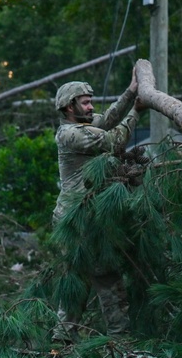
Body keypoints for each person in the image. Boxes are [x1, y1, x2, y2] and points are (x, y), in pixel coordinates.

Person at [52, 70, 143, 337]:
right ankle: (120, 343)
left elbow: (111, 118)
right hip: (78, 220)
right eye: (85, 102)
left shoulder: (85, 124)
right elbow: (115, 139)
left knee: (78, 278)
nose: (91, 107)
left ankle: (63, 339)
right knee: (106, 278)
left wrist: (131, 91)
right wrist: (136, 111)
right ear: (70, 107)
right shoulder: (71, 134)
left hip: (86, 216)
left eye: (91, 101)